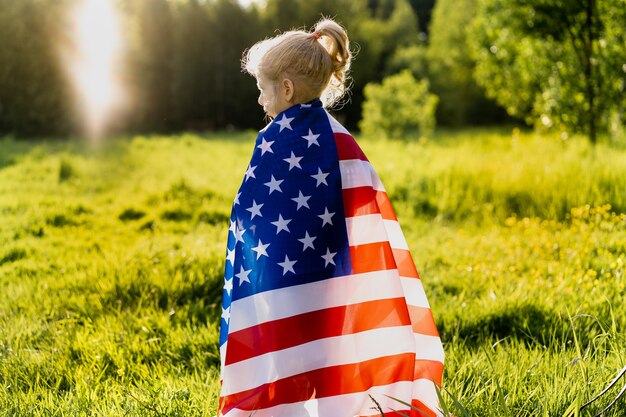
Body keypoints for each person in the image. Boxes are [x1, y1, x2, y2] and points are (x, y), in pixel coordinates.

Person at [218, 18, 444, 417]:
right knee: (330, 355)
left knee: (286, 357)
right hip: (335, 279)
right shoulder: (342, 139)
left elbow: (250, 217)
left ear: (285, 89)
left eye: (261, 90)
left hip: (281, 285)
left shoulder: (272, 142)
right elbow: (363, 209)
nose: (259, 101)